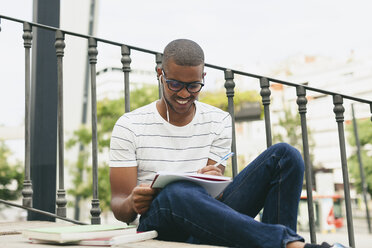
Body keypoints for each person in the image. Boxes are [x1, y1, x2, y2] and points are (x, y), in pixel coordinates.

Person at [109, 39, 348, 248]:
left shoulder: (218, 121)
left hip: (206, 219)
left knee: (286, 156)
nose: (184, 94)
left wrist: (212, 181)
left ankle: (281, 243)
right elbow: (119, 207)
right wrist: (133, 201)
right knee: (176, 192)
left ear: (203, 78)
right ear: (160, 74)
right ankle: (290, 244)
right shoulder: (130, 126)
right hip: (159, 223)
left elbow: (217, 201)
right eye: (174, 85)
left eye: (193, 86)